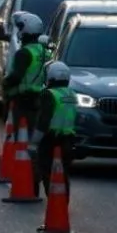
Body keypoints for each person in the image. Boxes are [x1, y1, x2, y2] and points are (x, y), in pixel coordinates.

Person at [26, 61, 77, 197]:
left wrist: (33, 143)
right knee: (63, 171)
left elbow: (43, 121)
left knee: (47, 170)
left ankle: (54, 200)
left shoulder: (49, 95)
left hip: (50, 139)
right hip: (68, 138)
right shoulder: (72, 94)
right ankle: (63, 200)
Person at [1, 11, 47, 133]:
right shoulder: (43, 51)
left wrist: (5, 83)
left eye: (21, 27)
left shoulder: (24, 53)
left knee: (19, 133)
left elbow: (16, 76)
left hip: (22, 98)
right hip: (38, 97)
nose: (19, 31)